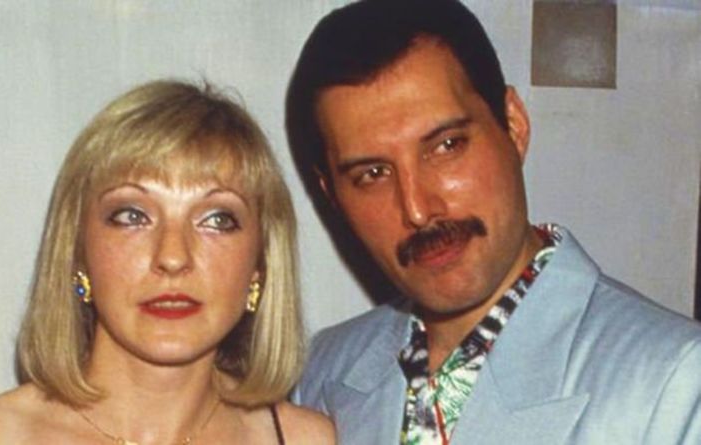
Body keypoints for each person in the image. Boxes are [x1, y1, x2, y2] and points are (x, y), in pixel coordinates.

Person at [285, 0, 701, 444]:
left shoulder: (676, 381)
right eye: (372, 174)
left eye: (446, 146)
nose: (418, 209)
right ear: (332, 195)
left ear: (514, 126)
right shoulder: (320, 374)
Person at [0, 80, 335, 444]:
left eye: (217, 219)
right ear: (77, 252)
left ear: (259, 267)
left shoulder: (307, 439)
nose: (173, 257)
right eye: (132, 215)